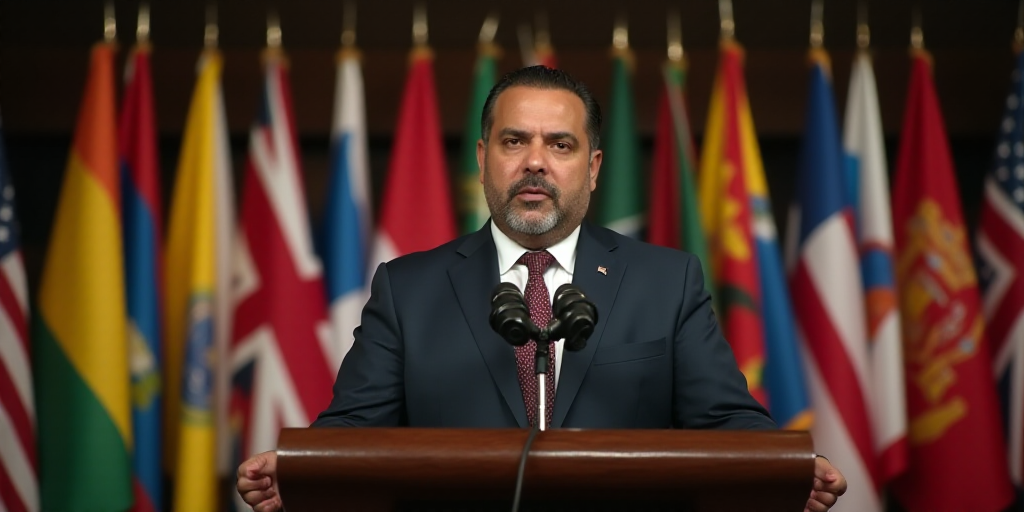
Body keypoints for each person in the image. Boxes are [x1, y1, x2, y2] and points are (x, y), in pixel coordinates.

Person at [237, 65, 847, 512]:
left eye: (560, 144)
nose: (536, 161)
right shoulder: (408, 288)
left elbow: (727, 421)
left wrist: (785, 468)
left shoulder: (666, 281)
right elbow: (351, 432)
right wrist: (299, 470)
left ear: (594, 166)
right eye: (514, 141)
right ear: (482, 159)